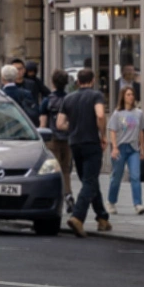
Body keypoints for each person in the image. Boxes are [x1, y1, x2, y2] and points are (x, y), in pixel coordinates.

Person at [58, 68, 110, 237]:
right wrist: (103, 135)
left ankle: (102, 218)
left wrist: (72, 128)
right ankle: (77, 217)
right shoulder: (96, 96)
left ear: (78, 81)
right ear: (93, 80)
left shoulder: (68, 98)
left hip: (75, 143)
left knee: (89, 180)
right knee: (89, 181)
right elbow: (100, 115)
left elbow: (60, 124)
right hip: (91, 142)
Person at [107, 85, 144, 215]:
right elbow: (112, 131)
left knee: (135, 175)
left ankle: (138, 204)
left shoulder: (139, 113)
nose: (131, 97)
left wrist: (142, 148)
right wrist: (114, 147)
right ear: (123, 97)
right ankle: (111, 202)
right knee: (116, 176)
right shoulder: (117, 114)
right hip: (120, 147)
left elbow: (141, 131)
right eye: (128, 95)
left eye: (132, 94)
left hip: (133, 148)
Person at [40, 69, 74, 212]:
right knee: (66, 169)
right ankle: (68, 195)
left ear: (53, 82)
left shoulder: (47, 100)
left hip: (52, 138)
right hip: (67, 139)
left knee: (51, 170)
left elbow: (43, 123)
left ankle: (51, 197)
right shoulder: (70, 99)